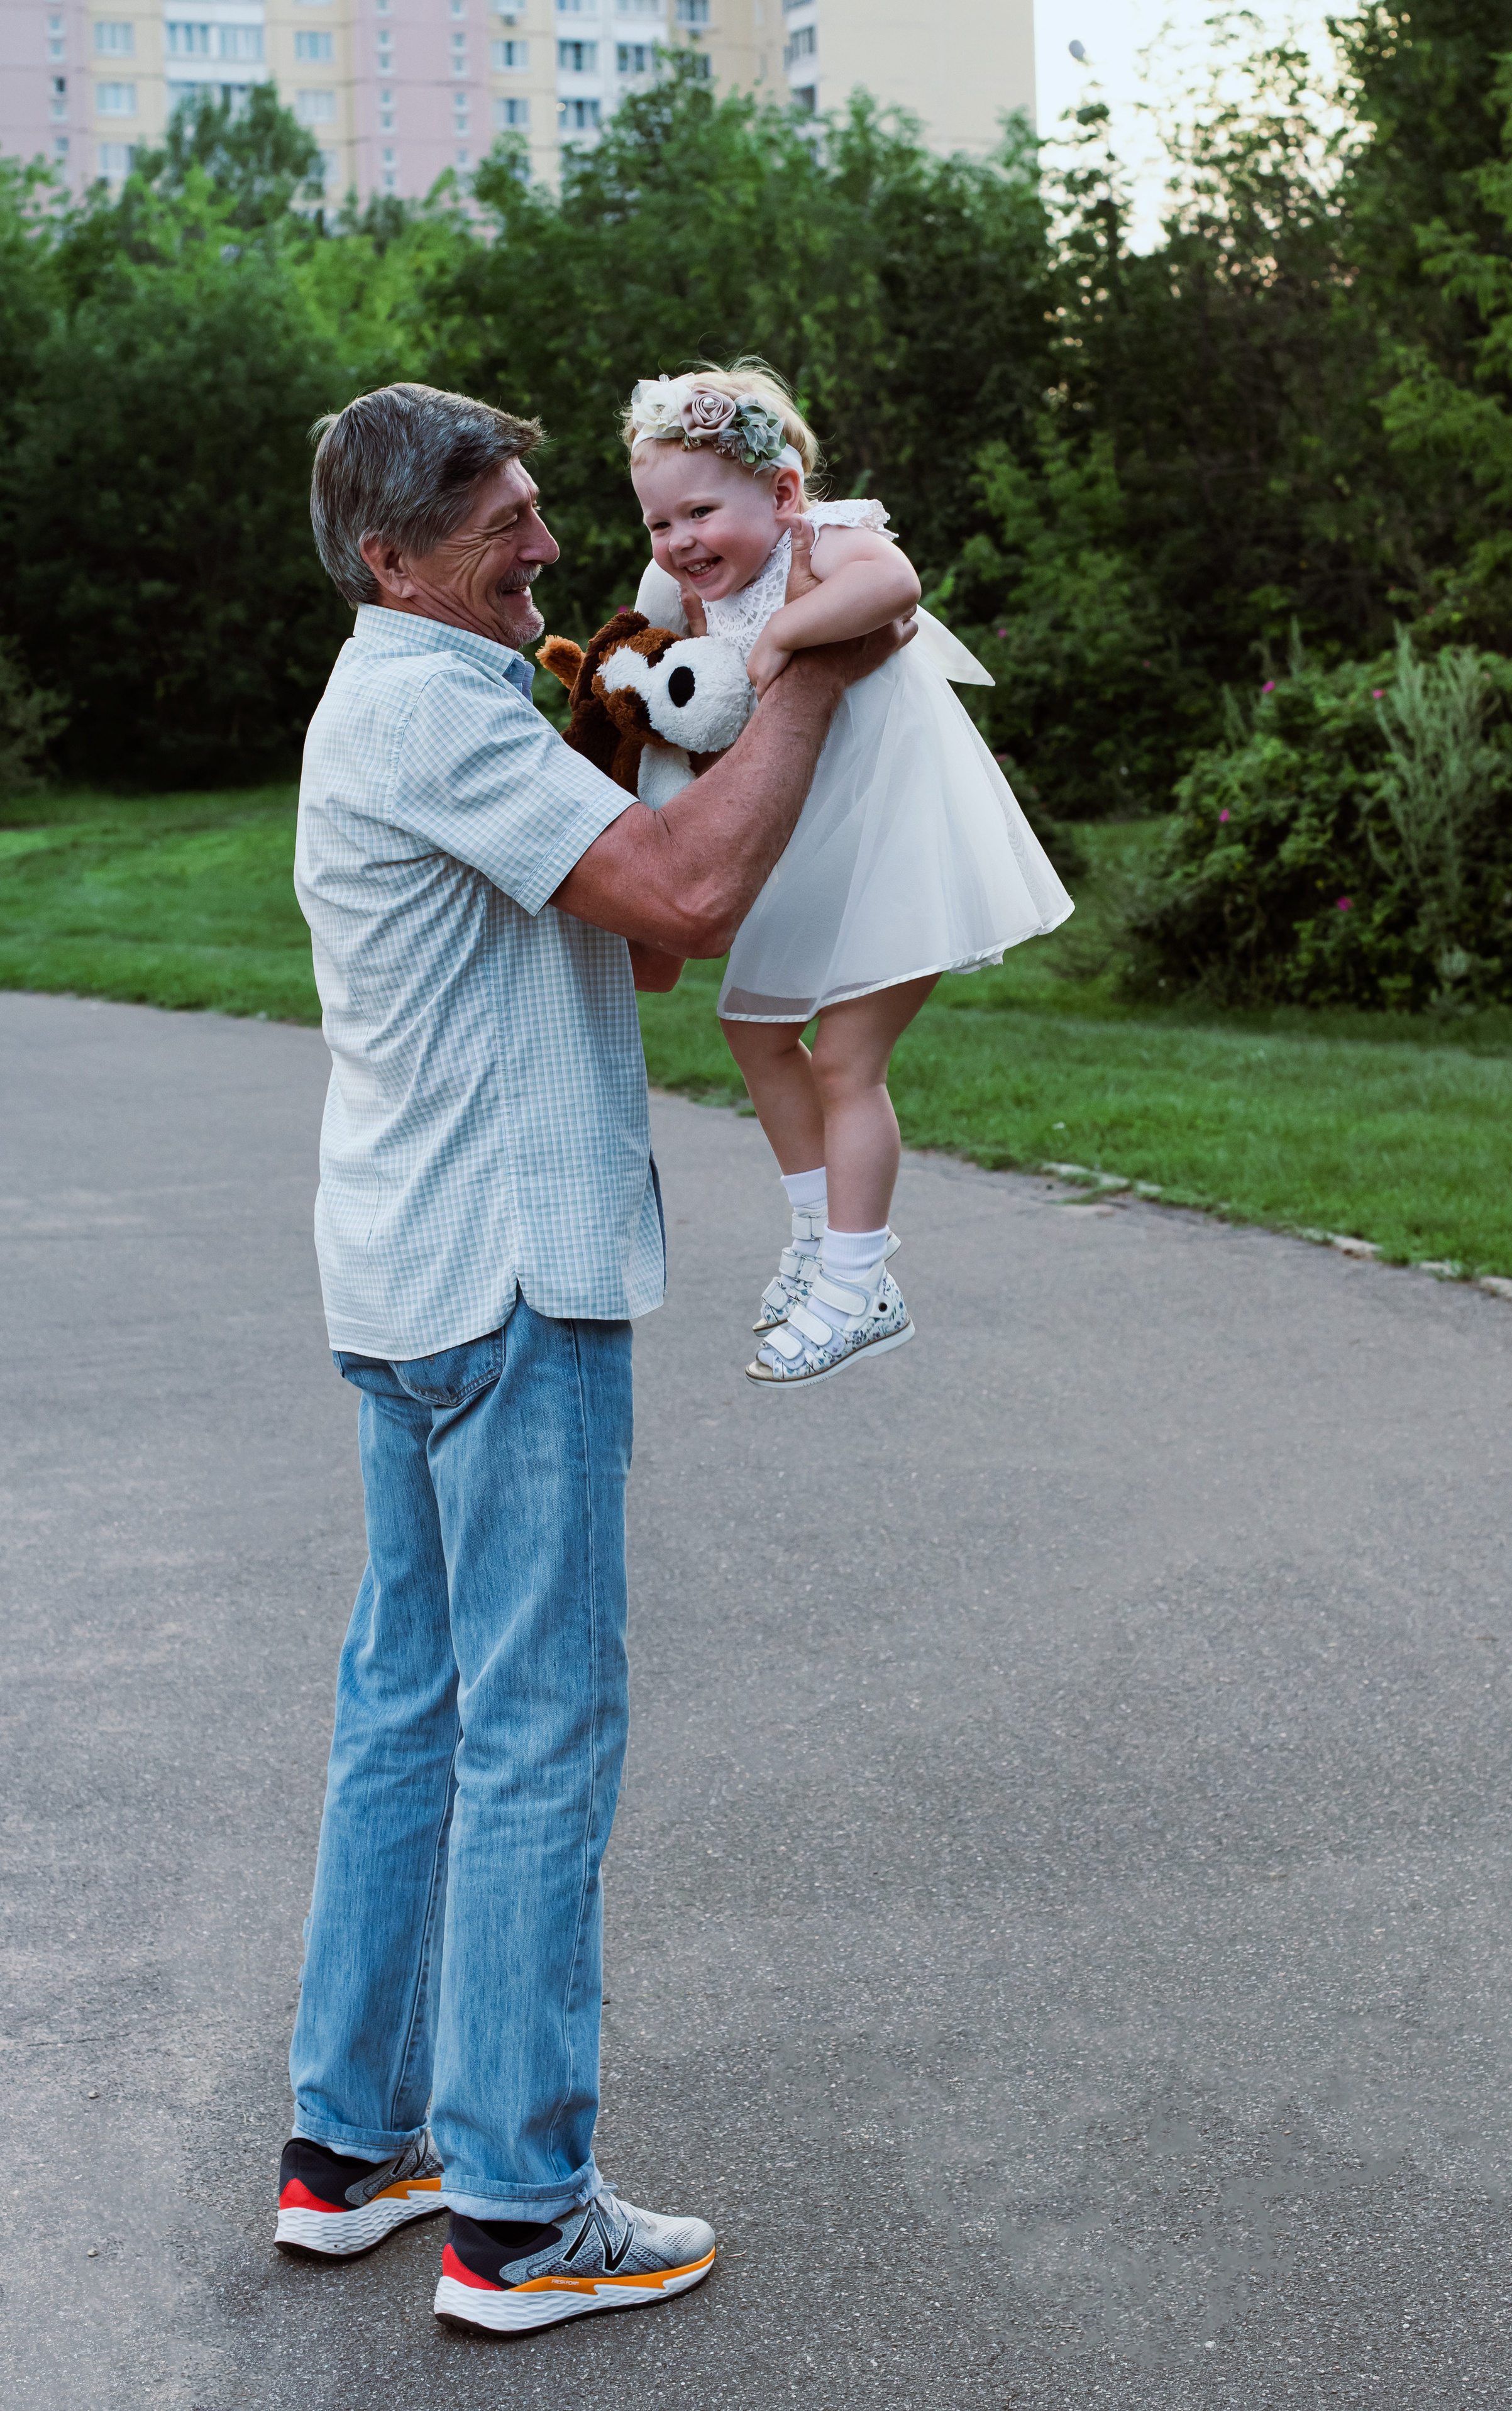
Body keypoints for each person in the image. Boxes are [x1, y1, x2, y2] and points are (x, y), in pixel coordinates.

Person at [280, 381, 913, 2338]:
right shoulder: (432, 704)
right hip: (507, 1275)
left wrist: (659, 718)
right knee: (539, 1730)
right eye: (506, 526)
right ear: (398, 561)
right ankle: (522, 2212)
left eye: (549, 509)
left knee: (412, 1711)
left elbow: (625, 942)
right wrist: (815, 655)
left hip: (409, 1272)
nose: (552, 547)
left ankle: (352, 2149)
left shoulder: (432, 702)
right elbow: (697, 901)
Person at [626, 363, 1073, 1389]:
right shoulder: (694, 588)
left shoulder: (822, 542)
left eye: (702, 510)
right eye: (659, 522)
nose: (682, 540)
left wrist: (786, 627)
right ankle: (816, 1236)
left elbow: (896, 589)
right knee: (753, 1030)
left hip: (897, 836)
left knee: (844, 1063)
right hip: (814, 843)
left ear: (783, 494)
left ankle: (861, 1281)